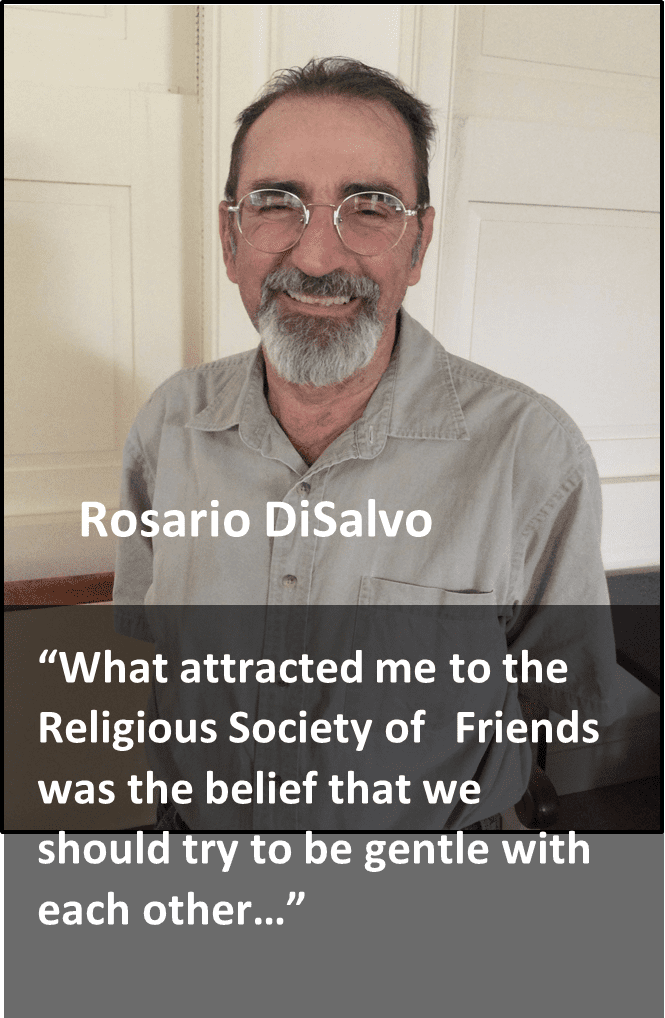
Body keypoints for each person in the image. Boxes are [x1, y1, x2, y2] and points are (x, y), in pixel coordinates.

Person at [113, 58, 625, 831]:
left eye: (371, 207)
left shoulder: (531, 453)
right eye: (277, 203)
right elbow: (153, 645)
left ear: (415, 247)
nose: (317, 258)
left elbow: (560, 700)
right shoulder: (167, 426)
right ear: (231, 236)